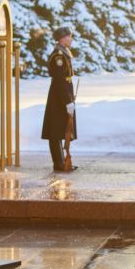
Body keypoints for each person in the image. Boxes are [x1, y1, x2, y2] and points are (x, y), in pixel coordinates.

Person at [41, 27, 77, 171]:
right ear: (62, 39)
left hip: (61, 96)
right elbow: (60, 80)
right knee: (55, 131)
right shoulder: (59, 56)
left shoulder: (63, 53)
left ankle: (61, 162)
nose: (71, 39)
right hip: (58, 98)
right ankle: (58, 163)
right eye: (69, 36)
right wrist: (67, 101)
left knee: (61, 129)